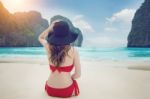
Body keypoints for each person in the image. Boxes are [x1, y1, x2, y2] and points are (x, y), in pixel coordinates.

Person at [38, 20, 81, 98]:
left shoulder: (48, 47)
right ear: (68, 36)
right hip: (66, 89)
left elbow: (40, 38)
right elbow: (78, 74)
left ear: (54, 35)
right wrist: (68, 77)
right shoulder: (74, 51)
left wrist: (49, 28)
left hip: (50, 88)